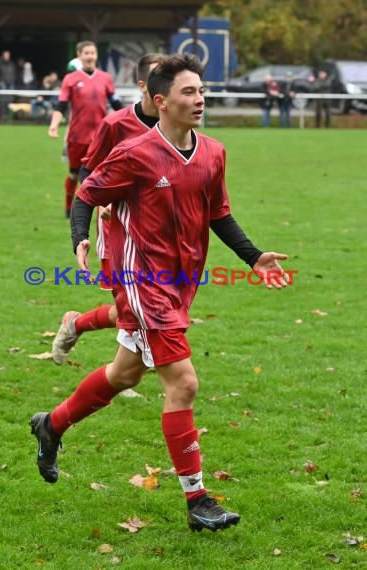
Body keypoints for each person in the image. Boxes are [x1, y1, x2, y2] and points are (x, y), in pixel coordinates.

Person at [30, 53, 290, 532]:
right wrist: (80, 237)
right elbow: (88, 192)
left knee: (124, 374)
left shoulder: (213, 151)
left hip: (181, 283)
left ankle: (52, 425)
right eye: (188, 92)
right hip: (141, 282)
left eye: (201, 90)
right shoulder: (136, 152)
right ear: (160, 100)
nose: (200, 99)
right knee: (184, 384)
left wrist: (253, 256)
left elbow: (218, 213)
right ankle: (198, 500)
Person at [51, 53, 165, 365]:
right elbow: (88, 176)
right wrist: (103, 203)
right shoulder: (116, 124)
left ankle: (75, 325)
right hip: (118, 227)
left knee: (142, 304)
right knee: (129, 306)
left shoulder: (176, 124)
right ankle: (123, 372)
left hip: (160, 230)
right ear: (143, 85)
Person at [48, 40, 123, 217]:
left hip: (101, 137)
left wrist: (133, 119)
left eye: (92, 53)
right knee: (74, 174)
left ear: (96, 56)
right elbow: (61, 105)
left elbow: (116, 103)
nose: (90, 56)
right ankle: (68, 207)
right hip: (76, 136)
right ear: (79, 56)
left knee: (99, 175)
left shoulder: (105, 78)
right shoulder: (71, 79)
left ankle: (98, 210)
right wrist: (53, 125)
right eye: (86, 53)